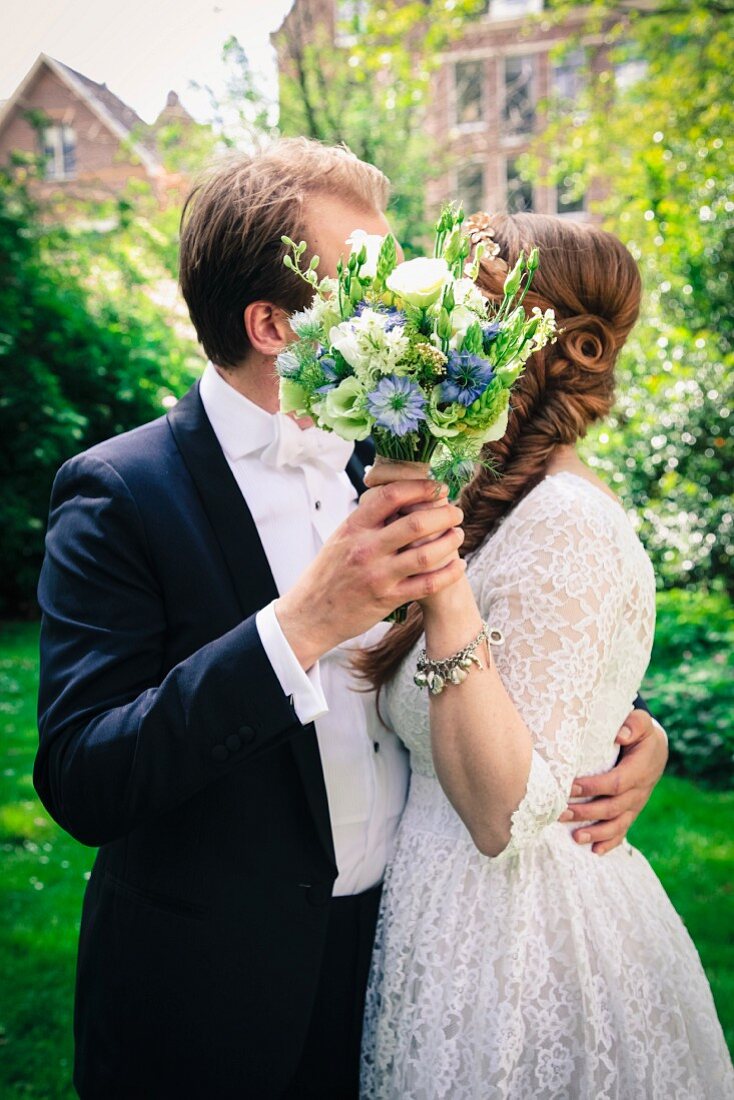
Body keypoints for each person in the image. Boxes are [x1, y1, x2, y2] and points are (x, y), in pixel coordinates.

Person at [35, 140, 666, 1099]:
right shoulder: (121, 494)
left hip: (397, 976)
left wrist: (628, 736)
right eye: (371, 290)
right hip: (209, 1001)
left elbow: (532, 625)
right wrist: (297, 628)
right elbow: (85, 776)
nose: (414, 316)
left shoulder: (409, 455)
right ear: (275, 324)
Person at [359, 212, 734, 1099]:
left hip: (519, 943)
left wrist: (444, 585)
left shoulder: (566, 520)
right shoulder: (492, 495)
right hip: (444, 917)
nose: (443, 338)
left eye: (471, 308)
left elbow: (502, 815)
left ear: (536, 337)